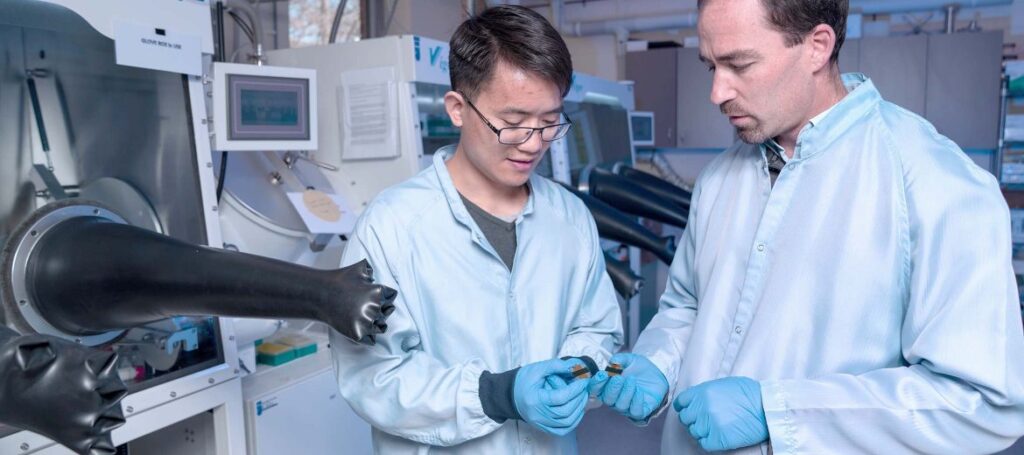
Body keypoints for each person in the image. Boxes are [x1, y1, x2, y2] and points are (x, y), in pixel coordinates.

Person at [591, 0, 1024, 453]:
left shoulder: (935, 181)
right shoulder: (720, 177)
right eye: (710, 67)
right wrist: (658, 363)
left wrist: (778, 412)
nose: (717, 92)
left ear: (817, 47)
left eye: (740, 64)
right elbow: (688, 305)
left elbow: (979, 400)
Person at [330, 5, 623, 453]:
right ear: (457, 109)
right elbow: (372, 377)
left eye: (549, 123)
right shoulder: (392, 226)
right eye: (512, 123)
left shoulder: (568, 216)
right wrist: (495, 395)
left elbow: (597, 329)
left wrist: (580, 367)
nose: (533, 143)